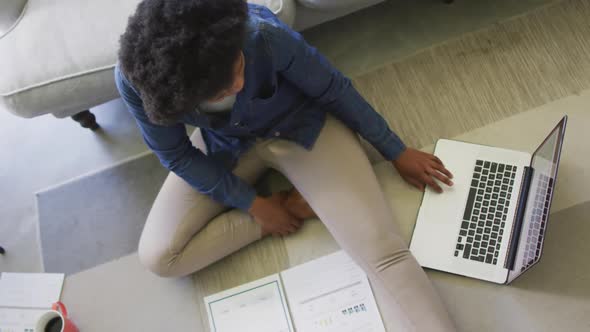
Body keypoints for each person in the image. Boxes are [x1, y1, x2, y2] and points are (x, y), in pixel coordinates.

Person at [115, 0, 456, 330]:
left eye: (238, 67)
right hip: (226, 146)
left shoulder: (260, 33)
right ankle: (285, 208)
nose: (237, 85)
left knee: (383, 252)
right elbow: (176, 154)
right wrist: (257, 208)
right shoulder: (140, 82)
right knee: (159, 258)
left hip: (302, 129)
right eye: (220, 90)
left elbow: (335, 90)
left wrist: (395, 150)